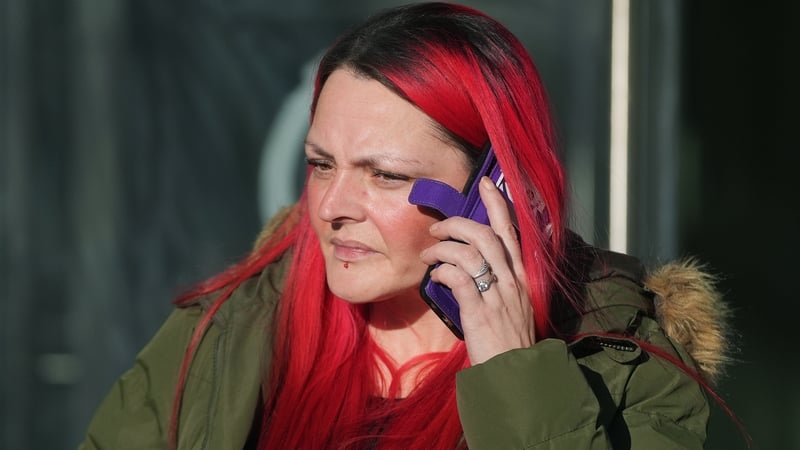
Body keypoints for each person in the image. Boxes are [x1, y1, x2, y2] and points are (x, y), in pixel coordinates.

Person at [79, 3, 733, 449]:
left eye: (385, 175)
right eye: (319, 163)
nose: (332, 205)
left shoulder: (625, 363)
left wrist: (515, 375)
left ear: (495, 187)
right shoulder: (225, 332)